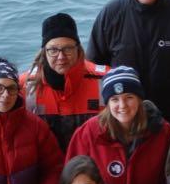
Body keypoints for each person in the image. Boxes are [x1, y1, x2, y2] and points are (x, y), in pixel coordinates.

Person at [66, 66, 170, 184]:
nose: (122, 105)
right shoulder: (88, 133)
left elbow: (169, 181)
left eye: (129, 97)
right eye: (115, 99)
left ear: (139, 98)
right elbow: (72, 181)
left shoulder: (162, 132)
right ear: (107, 103)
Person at [22, 12, 109, 152]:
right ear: (44, 51)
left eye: (68, 48)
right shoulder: (25, 85)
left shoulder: (105, 80)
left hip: (92, 167)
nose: (61, 57)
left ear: (78, 48)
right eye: (53, 50)